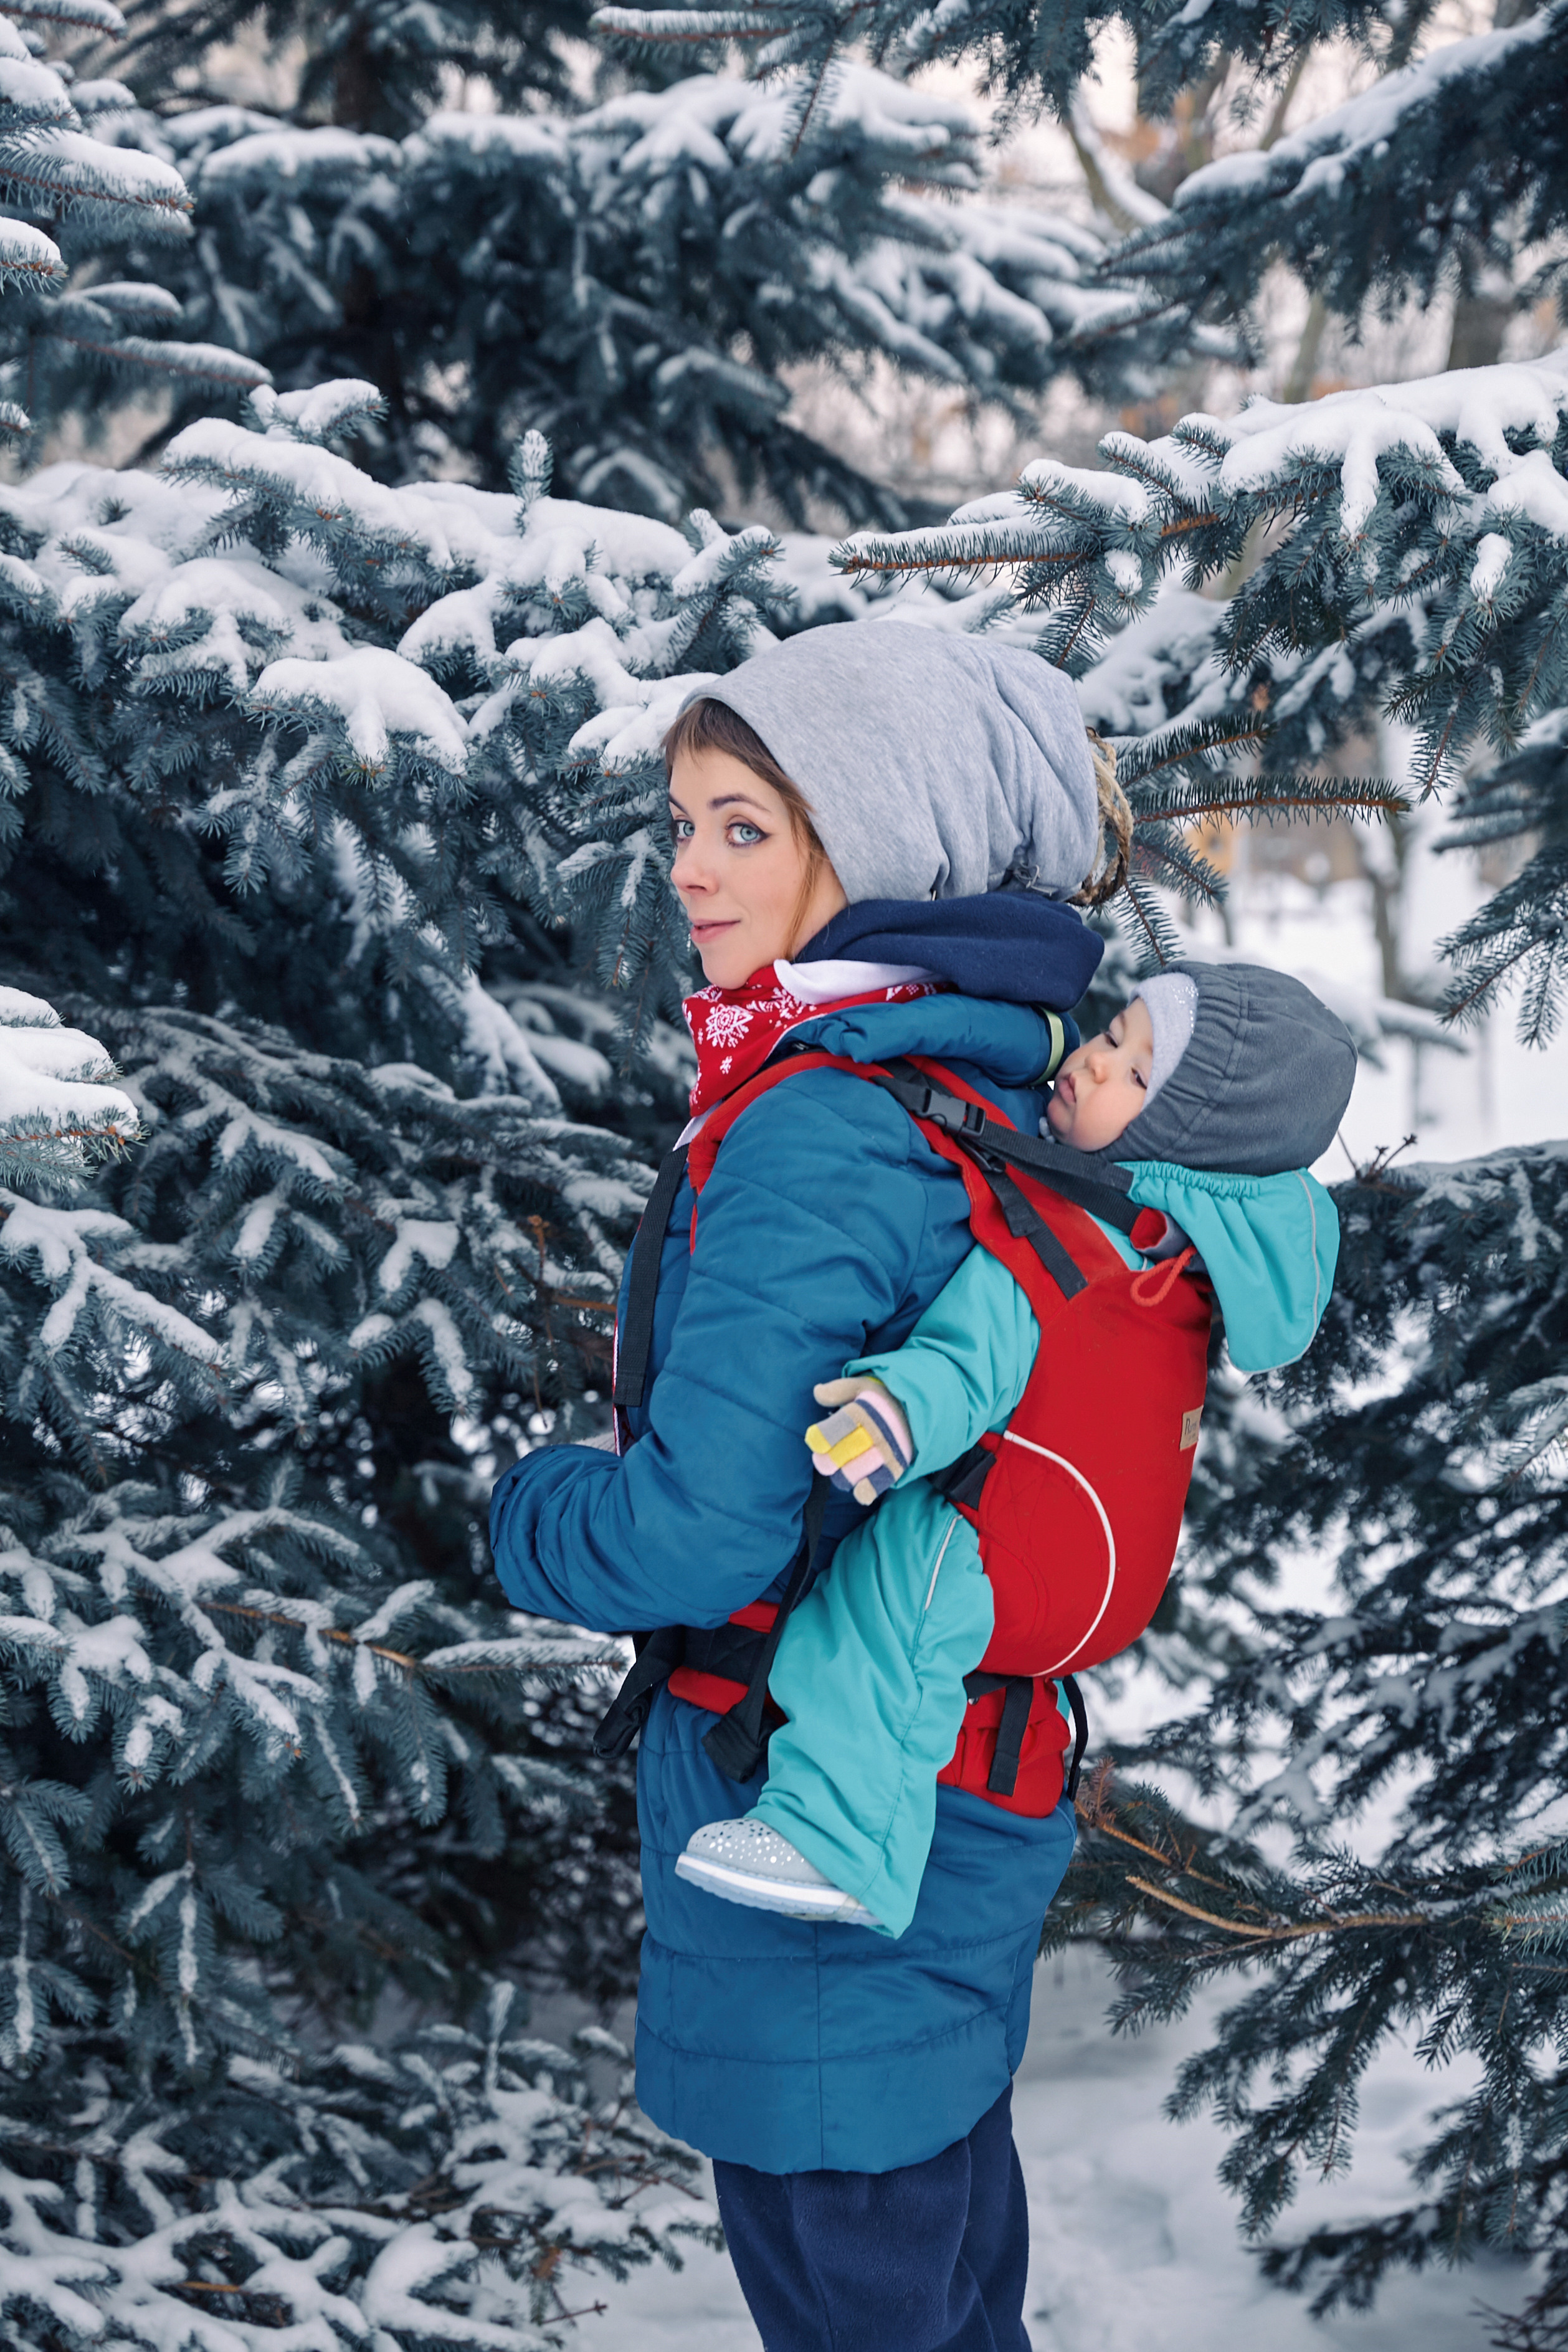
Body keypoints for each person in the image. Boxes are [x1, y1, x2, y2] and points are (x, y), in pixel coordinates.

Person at [489, 618, 1124, 2351]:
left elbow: (704, 1524)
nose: (686, 867)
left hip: (812, 1807)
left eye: (743, 826)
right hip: (951, 1775)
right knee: (935, 2274)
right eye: (681, 820)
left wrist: (533, 1511)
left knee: (862, 2299)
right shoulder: (977, 1066)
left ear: (880, 838)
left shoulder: (822, 1118)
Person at [674, 963, 1357, 1936]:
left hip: (1018, 1561)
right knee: (910, 1602)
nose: (1089, 1061)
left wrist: (889, 1415)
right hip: (1103, 1577)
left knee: (877, 1617)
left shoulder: (1067, 1242)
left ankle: (834, 1847)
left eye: (1130, 1072)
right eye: (1111, 1035)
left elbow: (970, 1361)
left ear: (1182, 1138)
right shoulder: (1183, 1258)